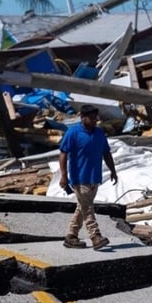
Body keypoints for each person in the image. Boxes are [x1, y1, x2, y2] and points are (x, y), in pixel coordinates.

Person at [58, 104, 118, 250]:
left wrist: (113, 170)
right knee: (88, 208)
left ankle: (71, 236)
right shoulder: (73, 133)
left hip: (94, 178)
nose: (94, 121)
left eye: (95, 118)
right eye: (91, 118)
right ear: (82, 117)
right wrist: (64, 176)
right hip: (79, 178)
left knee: (82, 207)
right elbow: (63, 154)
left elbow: (106, 153)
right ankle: (95, 237)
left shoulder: (99, 133)